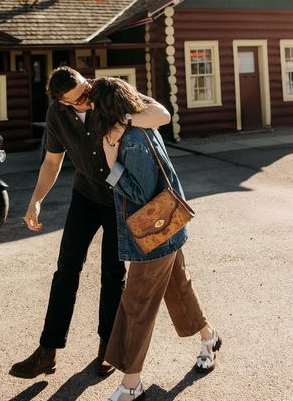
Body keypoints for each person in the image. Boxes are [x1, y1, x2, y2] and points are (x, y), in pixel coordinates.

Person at [9, 67, 171, 380]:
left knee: (112, 275)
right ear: (64, 103)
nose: (87, 97)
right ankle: (47, 351)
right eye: (78, 98)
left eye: (86, 89)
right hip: (84, 195)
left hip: (118, 199)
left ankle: (107, 349)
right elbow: (52, 161)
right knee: (66, 269)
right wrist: (36, 200)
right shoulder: (58, 114)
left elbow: (160, 114)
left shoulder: (109, 92)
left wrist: (124, 120)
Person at [88, 77, 221, 401]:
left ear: (106, 109)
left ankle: (132, 384)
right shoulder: (138, 124)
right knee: (179, 289)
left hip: (156, 234)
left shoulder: (132, 139)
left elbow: (142, 192)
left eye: (94, 106)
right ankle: (209, 338)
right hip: (169, 231)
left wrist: (110, 163)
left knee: (136, 305)